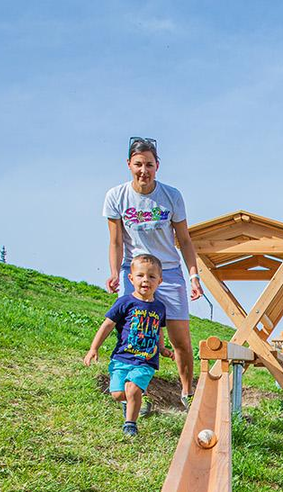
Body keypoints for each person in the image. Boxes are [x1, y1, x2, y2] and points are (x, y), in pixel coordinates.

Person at [103, 136, 203, 406]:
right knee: (135, 335)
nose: (143, 171)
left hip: (168, 272)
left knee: (180, 338)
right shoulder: (116, 197)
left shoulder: (171, 196)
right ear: (128, 164)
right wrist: (114, 272)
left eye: (149, 164)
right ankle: (134, 394)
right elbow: (115, 241)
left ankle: (187, 393)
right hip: (134, 271)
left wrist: (194, 275)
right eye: (138, 164)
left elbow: (185, 240)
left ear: (157, 165)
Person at [83, 254, 170, 437]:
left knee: (132, 388)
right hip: (122, 357)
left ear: (159, 281)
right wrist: (93, 348)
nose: (145, 280)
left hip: (146, 360)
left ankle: (130, 424)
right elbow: (107, 325)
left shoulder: (160, 307)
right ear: (131, 278)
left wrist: (162, 348)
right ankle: (134, 402)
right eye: (140, 275)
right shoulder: (125, 302)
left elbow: (158, 329)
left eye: (152, 276)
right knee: (117, 394)